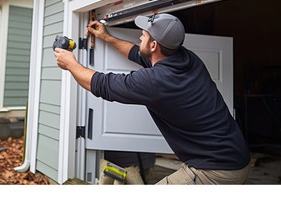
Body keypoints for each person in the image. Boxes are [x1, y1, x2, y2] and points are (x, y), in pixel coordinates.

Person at [54, 13, 251, 184]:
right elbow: (137, 53)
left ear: (154, 45)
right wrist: (107, 37)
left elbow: (101, 84)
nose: (140, 36)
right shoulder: (186, 58)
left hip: (216, 171)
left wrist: (71, 64)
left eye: (144, 35)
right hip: (237, 156)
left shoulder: (157, 81)